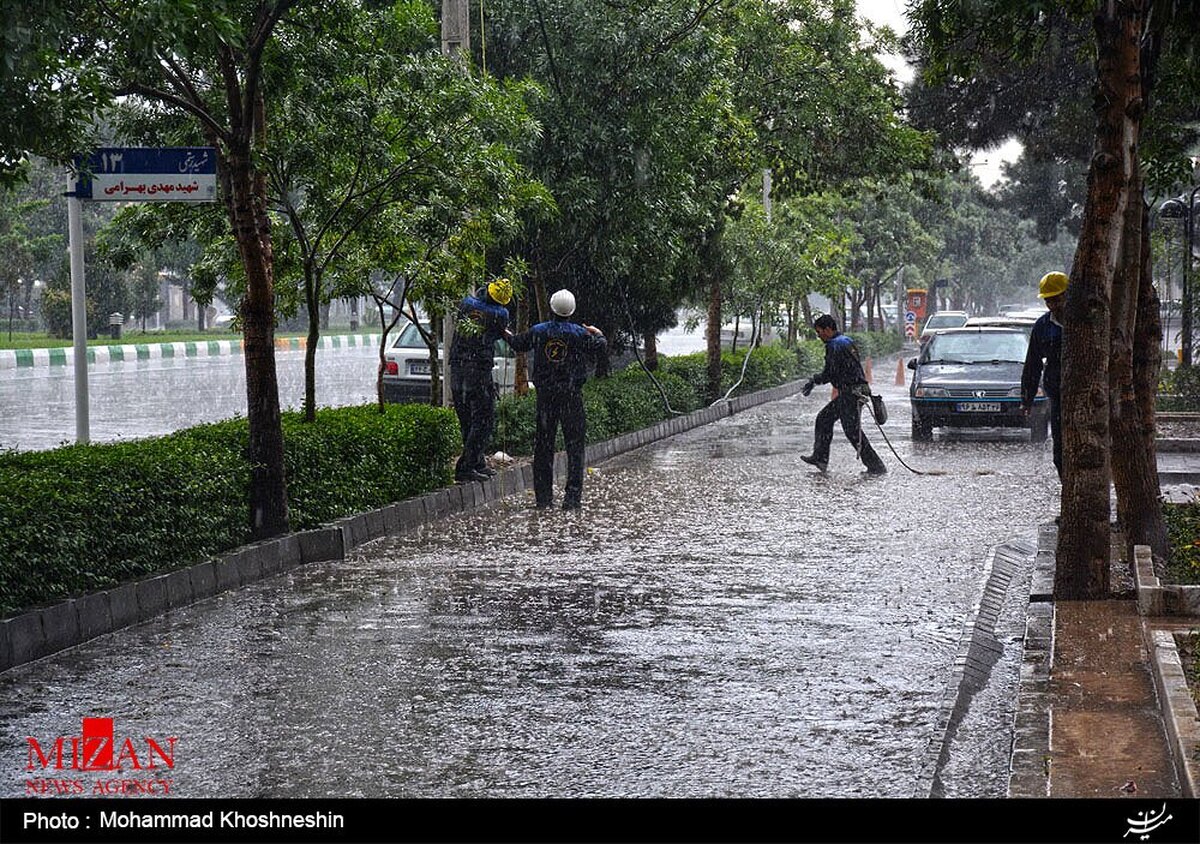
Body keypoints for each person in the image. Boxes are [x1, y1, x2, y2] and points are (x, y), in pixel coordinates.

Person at [506, 289, 606, 509]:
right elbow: (599, 346)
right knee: (575, 449)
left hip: (546, 397)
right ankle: (572, 500)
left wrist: (501, 329)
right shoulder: (580, 334)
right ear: (572, 310)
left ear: (551, 307)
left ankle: (543, 500)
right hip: (572, 397)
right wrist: (598, 333)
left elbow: (517, 343)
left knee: (543, 448)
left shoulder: (539, 331)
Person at [800, 314, 887, 475]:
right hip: (855, 391)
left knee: (849, 430)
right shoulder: (845, 341)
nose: (819, 336)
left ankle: (876, 466)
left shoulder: (834, 345)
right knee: (826, 420)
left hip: (851, 393)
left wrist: (814, 380)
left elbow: (830, 373)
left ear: (828, 329)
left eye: (820, 332)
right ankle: (821, 458)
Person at [449, 277, 513, 483]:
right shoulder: (499, 314)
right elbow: (498, 333)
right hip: (478, 370)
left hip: (458, 367)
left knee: (467, 418)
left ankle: (476, 463)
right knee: (484, 419)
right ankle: (465, 467)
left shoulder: (466, 303)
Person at [1021, 271, 1067, 478]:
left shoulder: (1086, 322)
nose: (1053, 305)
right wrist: (1027, 399)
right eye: (1048, 301)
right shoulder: (1042, 326)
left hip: (1090, 399)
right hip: (1058, 395)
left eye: (1057, 299)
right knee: (1060, 452)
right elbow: (1033, 364)